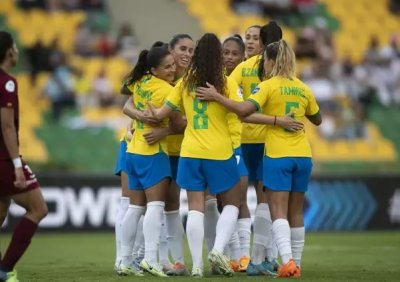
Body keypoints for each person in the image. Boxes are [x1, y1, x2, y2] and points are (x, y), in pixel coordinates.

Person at [196, 39, 321, 278]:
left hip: (277, 154)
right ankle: (297, 264)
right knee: (296, 213)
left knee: (278, 211)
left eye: (264, 60)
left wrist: (217, 97)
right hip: (303, 154)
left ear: (271, 61)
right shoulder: (303, 87)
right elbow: (317, 119)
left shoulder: (267, 85)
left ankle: (287, 262)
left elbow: (243, 112)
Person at [119, 43, 184, 277]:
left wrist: (137, 114)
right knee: (155, 207)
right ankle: (149, 258)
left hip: (133, 150)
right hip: (153, 152)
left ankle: (125, 261)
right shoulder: (167, 91)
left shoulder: (141, 80)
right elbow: (179, 123)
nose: (172, 69)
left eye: (173, 65)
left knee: (135, 208)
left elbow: (126, 98)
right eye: (167, 67)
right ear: (155, 70)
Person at [229, 20, 283, 275]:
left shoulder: (243, 68)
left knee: (255, 199)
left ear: (263, 42)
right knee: (264, 199)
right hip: (263, 140)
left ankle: (263, 256)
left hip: (246, 140)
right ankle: (258, 258)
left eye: (254, 38)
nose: (249, 41)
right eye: (246, 37)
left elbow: (230, 97)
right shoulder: (277, 70)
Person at [0, 31, 48, 282]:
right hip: (4, 159)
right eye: (15, 47)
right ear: (9, 51)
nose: (17, 51)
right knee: (38, 208)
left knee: (1, 209)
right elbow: (7, 126)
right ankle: (5, 268)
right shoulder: (7, 82)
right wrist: (17, 164)